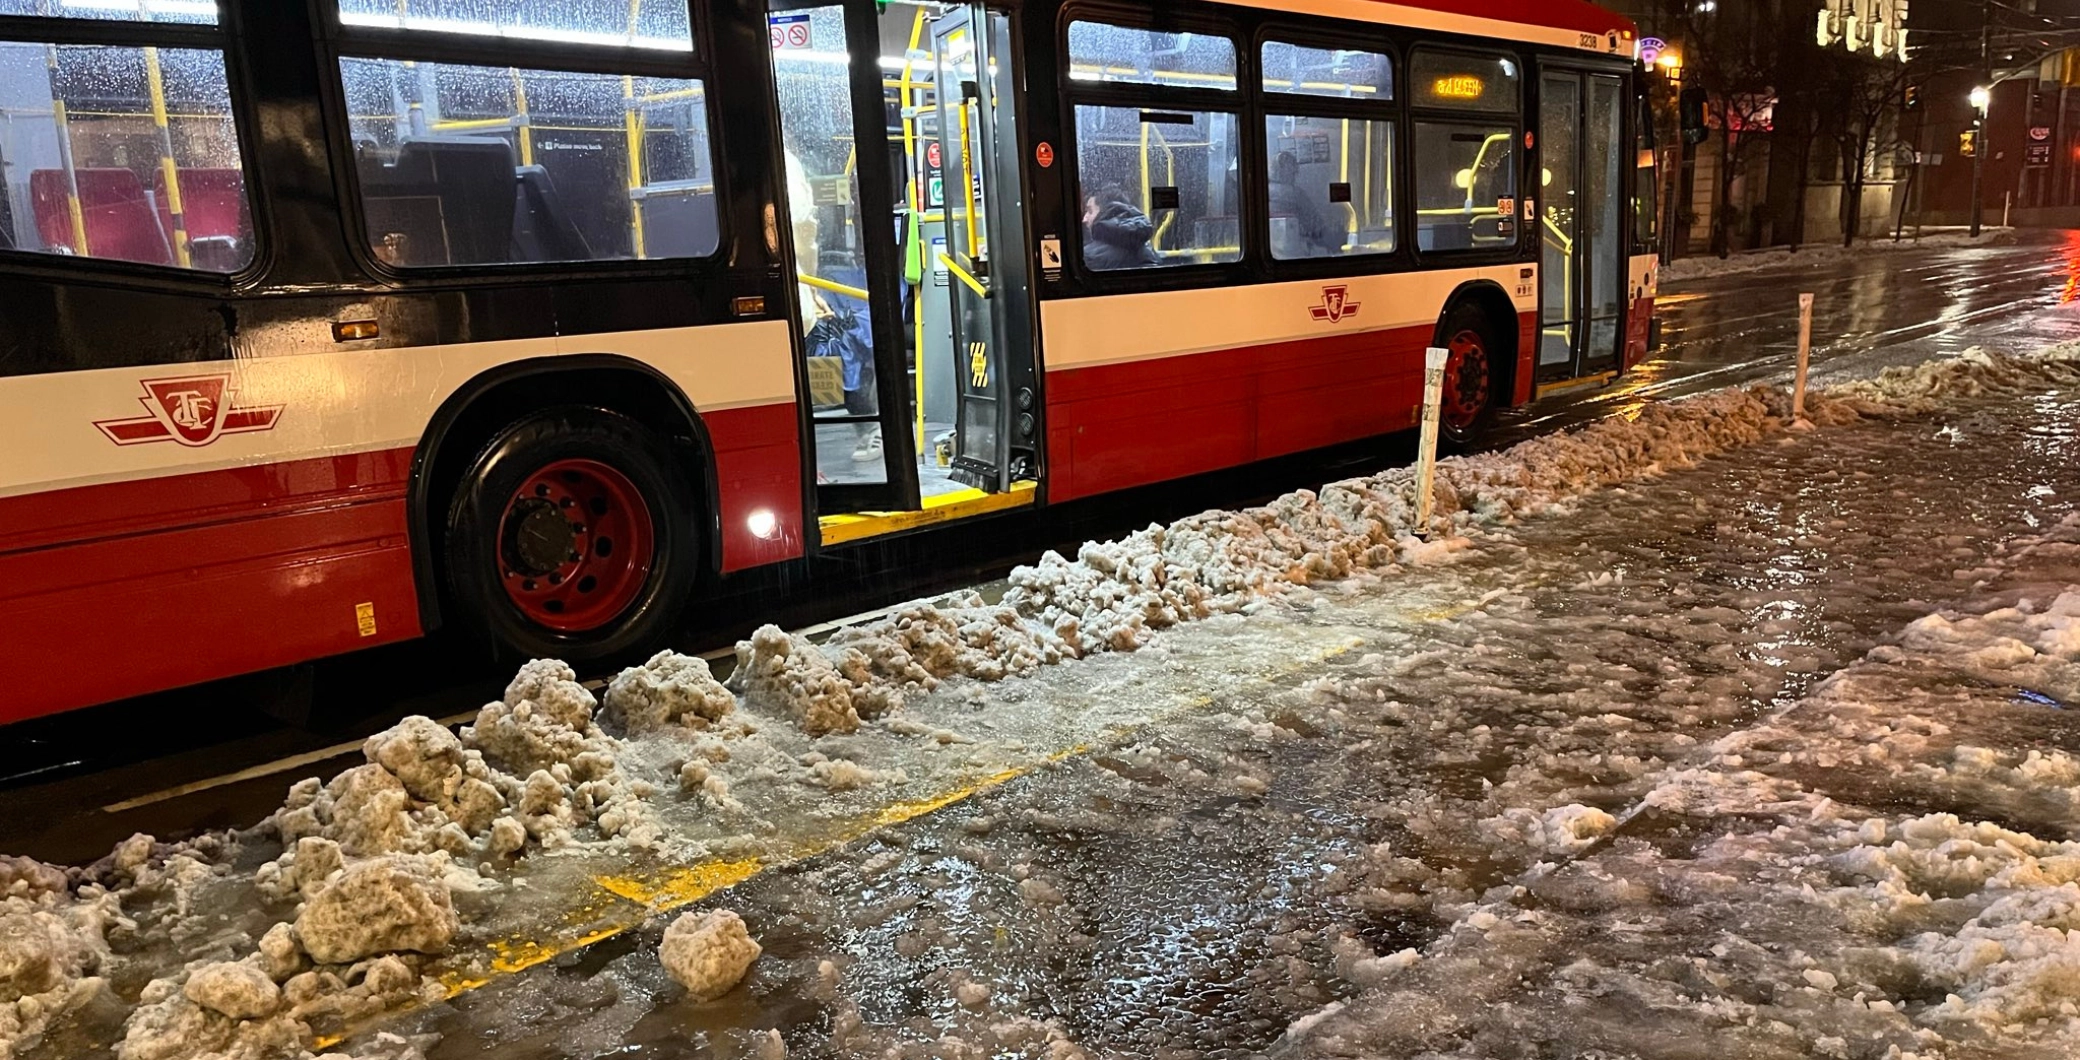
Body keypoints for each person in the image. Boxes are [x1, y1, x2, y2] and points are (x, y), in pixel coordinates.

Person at [1267, 150, 1339, 257]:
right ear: (1286, 172)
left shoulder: (1261, 193)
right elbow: (1316, 227)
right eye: (1293, 172)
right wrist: (1336, 242)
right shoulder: (1295, 194)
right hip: (1296, 254)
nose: (1295, 176)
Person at [1082, 184, 1161, 270]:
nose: (1084, 219)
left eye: (1090, 211)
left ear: (1106, 211)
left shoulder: (1089, 256)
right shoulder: (1148, 250)